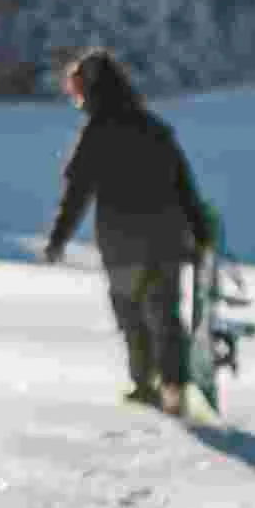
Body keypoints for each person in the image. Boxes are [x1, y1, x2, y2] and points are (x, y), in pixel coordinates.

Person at [43, 48, 212, 416]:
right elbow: (184, 187)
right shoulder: (154, 129)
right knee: (164, 316)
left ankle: (144, 385)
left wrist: (58, 239)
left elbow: (77, 193)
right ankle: (172, 390)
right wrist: (201, 234)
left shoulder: (96, 134)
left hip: (122, 242)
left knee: (132, 315)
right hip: (166, 240)